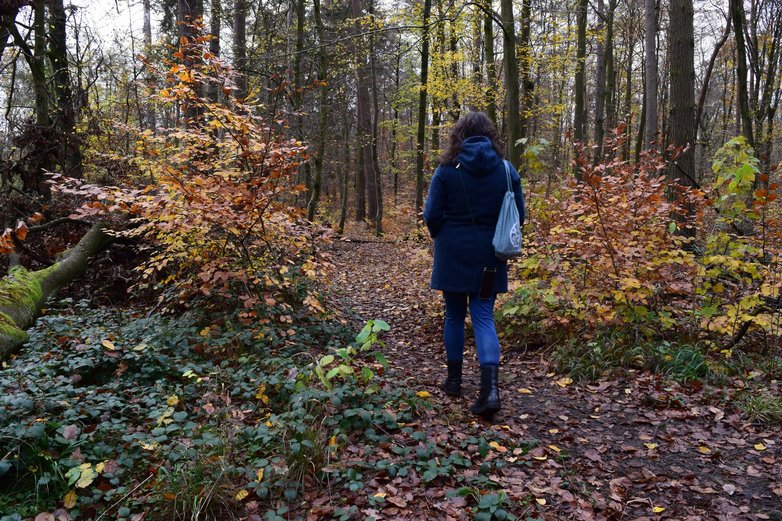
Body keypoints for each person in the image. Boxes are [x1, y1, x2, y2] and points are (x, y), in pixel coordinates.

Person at [423, 112, 525, 419]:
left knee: (453, 313)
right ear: (490, 135)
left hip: (452, 250)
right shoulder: (506, 170)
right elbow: (519, 215)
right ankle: (489, 391)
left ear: (459, 136)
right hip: (490, 254)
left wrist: (442, 234)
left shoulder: (446, 169)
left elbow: (431, 214)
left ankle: (453, 382)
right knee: (483, 315)